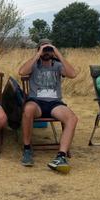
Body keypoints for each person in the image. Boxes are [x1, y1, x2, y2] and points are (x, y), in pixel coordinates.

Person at [18, 39, 78, 173]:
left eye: (48, 49)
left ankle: (61, 156)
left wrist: (58, 53)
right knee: (28, 110)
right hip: (36, 102)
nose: (46, 52)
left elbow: (73, 74)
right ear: (38, 50)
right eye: (43, 49)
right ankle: (27, 148)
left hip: (54, 103)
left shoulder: (57, 66)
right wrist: (38, 54)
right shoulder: (34, 65)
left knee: (72, 118)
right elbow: (22, 72)